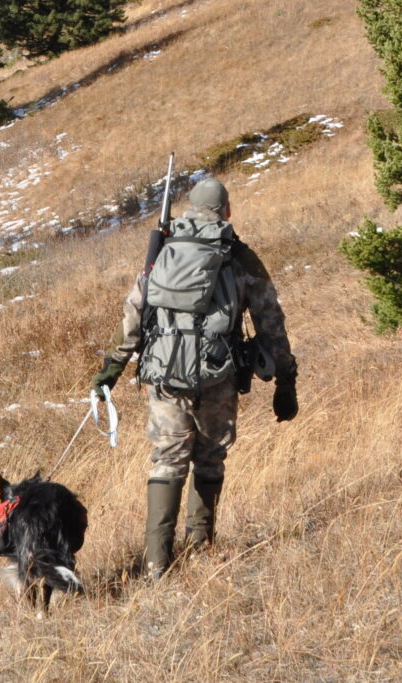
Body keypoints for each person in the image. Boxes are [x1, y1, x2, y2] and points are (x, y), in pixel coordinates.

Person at [90, 175, 297, 578]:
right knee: (210, 457)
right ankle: (200, 547)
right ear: (227, 211)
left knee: (167, 461)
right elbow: (270, 320)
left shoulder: (163, 253)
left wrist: (109, 372)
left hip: (165, 375)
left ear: (189, 209)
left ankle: (156, 565)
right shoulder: (239, 257)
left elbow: (133, 317)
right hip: (217, 375)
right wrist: (286, 378)